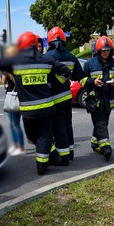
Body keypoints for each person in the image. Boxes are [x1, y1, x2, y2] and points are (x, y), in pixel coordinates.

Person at [0, 31, 71, 175]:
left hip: (28, 110)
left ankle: (45, 161)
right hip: (47, 108)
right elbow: (66, 71)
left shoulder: (15, 60)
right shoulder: (45, 59)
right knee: (44, 136)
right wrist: (53, 85)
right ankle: (44, 164)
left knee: (33, 135)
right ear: (34, 45)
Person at [80, 36, 114, 160]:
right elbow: (82, 80)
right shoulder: (90, 64)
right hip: (95, 101)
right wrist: (93, 82)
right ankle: (105, 147)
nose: (105, 53)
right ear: (98, 51)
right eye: (103, 50)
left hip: (108, 101)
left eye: (107, 50)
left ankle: (95, 143)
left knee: (103, 123)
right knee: (101, 124)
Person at [43, 26, 79, 163]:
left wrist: (54, 83)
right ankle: (70, 152)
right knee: (67, 124)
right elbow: (77, 75)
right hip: (67, 97)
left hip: (54, 98)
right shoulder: (71, 56)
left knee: (59, 127)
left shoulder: (47, 57)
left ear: (49, 41)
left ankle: (64, 157)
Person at [0, 46, 25, 155]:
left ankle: (20, 146)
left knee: (15, 124)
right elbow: (3, 82)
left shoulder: (19, 67)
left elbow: (18, 82)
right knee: (11, 124)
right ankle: (15, 145)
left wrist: (10, 74)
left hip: (16, 97)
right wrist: (4, 73)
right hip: (9, 96)